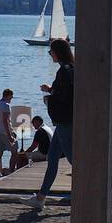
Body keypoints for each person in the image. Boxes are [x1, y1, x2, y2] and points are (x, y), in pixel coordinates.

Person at [28, 39, 73, 209]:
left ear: (57, 53)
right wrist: (51, 91)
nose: (50, 54)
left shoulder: (64, 71)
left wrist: (48, 95)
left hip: (65, 121)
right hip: (65, 121)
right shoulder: (72, 69)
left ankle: (88, 192)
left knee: (73, 159)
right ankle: (40, 198)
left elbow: (62, 96)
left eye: (50, 51)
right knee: (52, 158)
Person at [0, 88, 16, 176]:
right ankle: (11, 171)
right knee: (14, 152)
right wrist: (10, 135)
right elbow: (5, 121)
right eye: (11, 97)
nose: (11, 99)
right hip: (5, 132)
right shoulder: (6, 105)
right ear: (8, 95)